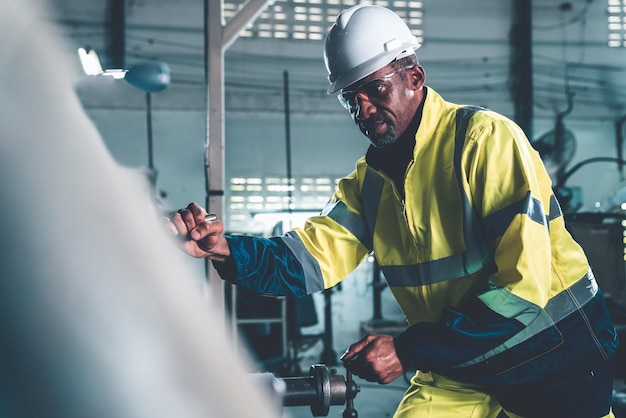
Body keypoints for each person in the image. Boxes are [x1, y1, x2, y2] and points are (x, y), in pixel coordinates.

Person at [168, 4, 618, 418]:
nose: (363, 108)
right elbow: (306, 262)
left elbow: (523, 291)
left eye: (375, 89)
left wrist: (408, 349)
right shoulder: (370, 183)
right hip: (459, 365)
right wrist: (224, 250)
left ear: (415, 78)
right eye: (351, 98)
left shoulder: (485, 142)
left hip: (553, 359)